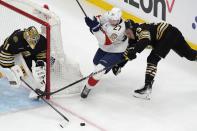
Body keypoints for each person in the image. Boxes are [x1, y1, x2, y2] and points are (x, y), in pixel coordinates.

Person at [123, 19, 197, 100]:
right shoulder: (133, 37)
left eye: (128, 31)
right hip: (172, 33)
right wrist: (119, 65)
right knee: (190, 55)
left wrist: (134, 51)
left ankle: (147, 88)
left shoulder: (140, 29)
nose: (127, 34)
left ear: (132, 28)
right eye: (125, 32)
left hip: (168, 34)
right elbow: (128, 52)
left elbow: (145, 40)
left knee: (152, 59)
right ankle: (147, 87)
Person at [80, 7, 129, 98]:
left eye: (114, 21)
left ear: (119, 19)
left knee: (99, 70)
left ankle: (88, 87)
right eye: (110, 19)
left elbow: (106, 41)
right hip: (104, 48)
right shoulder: (108, 15)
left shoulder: (120, 29)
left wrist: (95, 28)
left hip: (116, 50)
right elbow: (98, 19)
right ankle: (106, 69)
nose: (111, 21)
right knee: (96, 63)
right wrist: (92, 21)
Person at [0, 26, 47, 98]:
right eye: (31, 41)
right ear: (26, 36)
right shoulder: (15, 39)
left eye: (35, 41)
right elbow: (4, 53)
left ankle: (40, 85)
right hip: (14, 56)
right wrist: (10, 69)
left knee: (38, 70)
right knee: (12, 73)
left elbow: (43, 54)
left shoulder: (42, 41)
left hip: (28, 56)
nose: (33, 43)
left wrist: (41, 64)